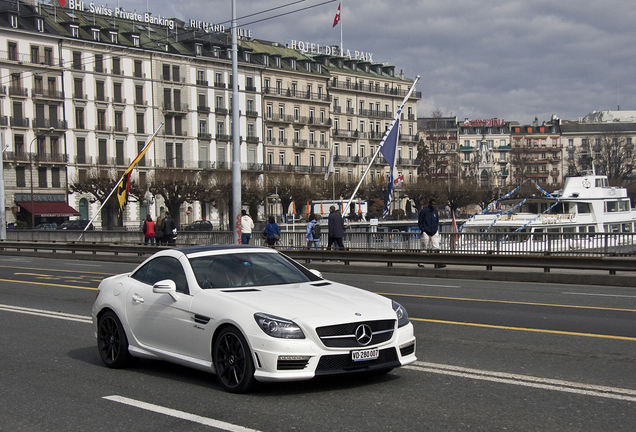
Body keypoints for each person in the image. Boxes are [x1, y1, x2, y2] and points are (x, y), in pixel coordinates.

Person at [418, 199, 445, 268]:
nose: (434, 206)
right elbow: (420, 221)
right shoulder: (424, 211)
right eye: (433, 204)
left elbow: (437, 221)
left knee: (436, 247)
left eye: (435, 204)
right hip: (426, 231)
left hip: (434, 231)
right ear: (430, 204)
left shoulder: (435, 212)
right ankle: (421, 262)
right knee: (424, 246)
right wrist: (423, 229)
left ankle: (438, 262)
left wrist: (436, 229)